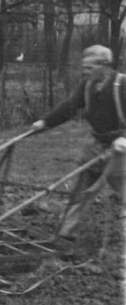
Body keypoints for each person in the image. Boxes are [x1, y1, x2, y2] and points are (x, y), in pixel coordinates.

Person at [31, 44, 126, 245]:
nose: (86, 72)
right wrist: (45, 122)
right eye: (84, 68)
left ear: (105, 66)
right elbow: (69, 107)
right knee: (82, 189)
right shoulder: (87, 86)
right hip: (98, 143)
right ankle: (66, 233)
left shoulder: (122, 84)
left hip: (121, 148)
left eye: (90, 68)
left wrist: (124, 138)